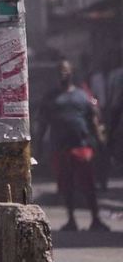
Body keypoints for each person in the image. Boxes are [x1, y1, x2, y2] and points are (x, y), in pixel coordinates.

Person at [36, 60, 110, 232]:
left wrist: (100, 141)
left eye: (66, 70)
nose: (63, 73)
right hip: (61, 148)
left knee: (88, 185)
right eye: (60, 70)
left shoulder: (82, 95)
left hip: (82, 146)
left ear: (72, 73)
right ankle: (71, 220)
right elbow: (42, 124)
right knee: (66, 186)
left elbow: (94, 120)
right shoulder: (50, 98)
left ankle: (96, 219)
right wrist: (38, 147)